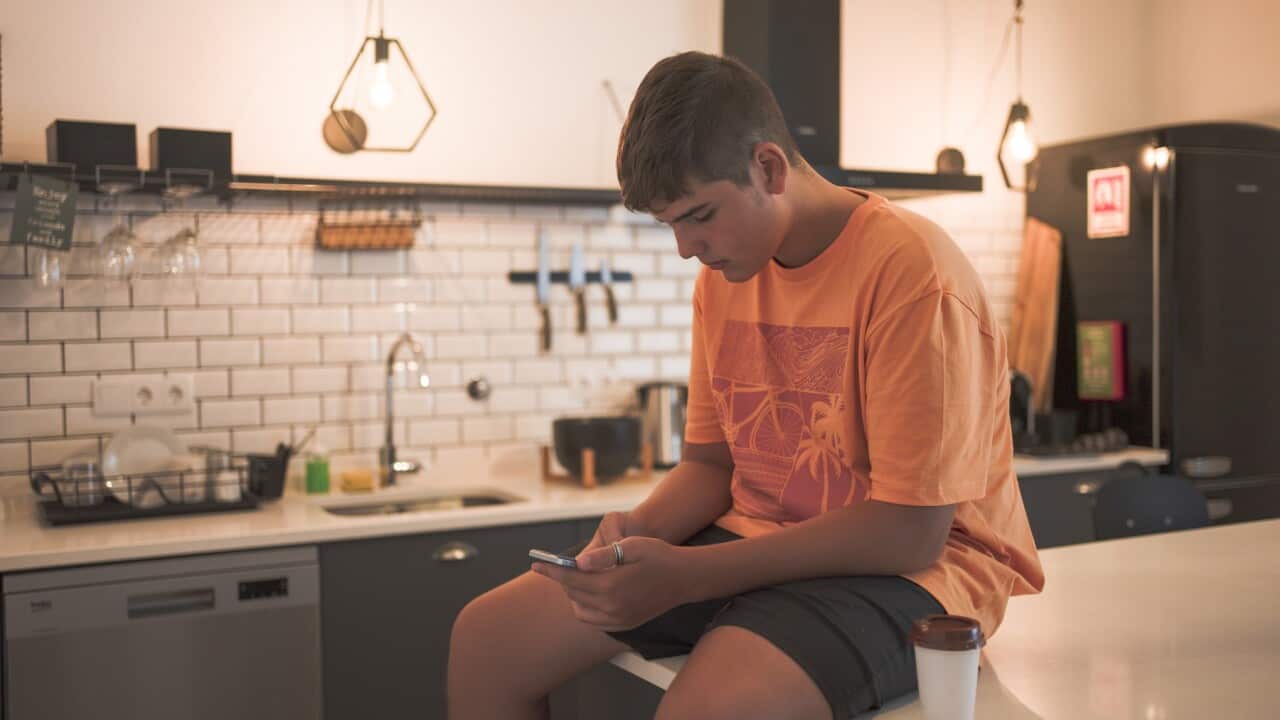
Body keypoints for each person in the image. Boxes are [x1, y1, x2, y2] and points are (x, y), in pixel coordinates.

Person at [447, 50, 1044, 720]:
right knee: (485, 639)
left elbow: (911, 532)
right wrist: (632, 534)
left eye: (698, 215)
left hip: (920, 575)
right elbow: (710, 464)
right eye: (670, 223)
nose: (684, 247)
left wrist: (687, 575)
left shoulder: (912, 272)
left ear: (768, 168)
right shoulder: (723, 277)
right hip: (761, 540)